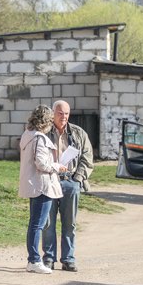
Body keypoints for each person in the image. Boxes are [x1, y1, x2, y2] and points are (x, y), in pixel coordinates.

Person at [42, 100, 94, 273]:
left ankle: (68, 259)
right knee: (48, 222)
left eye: (66, 113)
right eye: (59, 113)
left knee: (69, 223)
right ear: (53, 113)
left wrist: (77, 179)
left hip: (70, 182)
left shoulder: (78, 133)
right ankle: (48, 259)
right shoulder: (44, 132)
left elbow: (87, 158)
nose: (63, 117)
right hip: (49, 181)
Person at [18, 105, 66, 274]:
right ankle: (34, 260)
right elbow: (41, 163)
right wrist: (57, 166)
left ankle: (34, 259)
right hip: (42, 185)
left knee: (36, 223)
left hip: (33, 184)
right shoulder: (40, 138)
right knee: (37, 224)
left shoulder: (27, 135)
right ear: (46, 121)